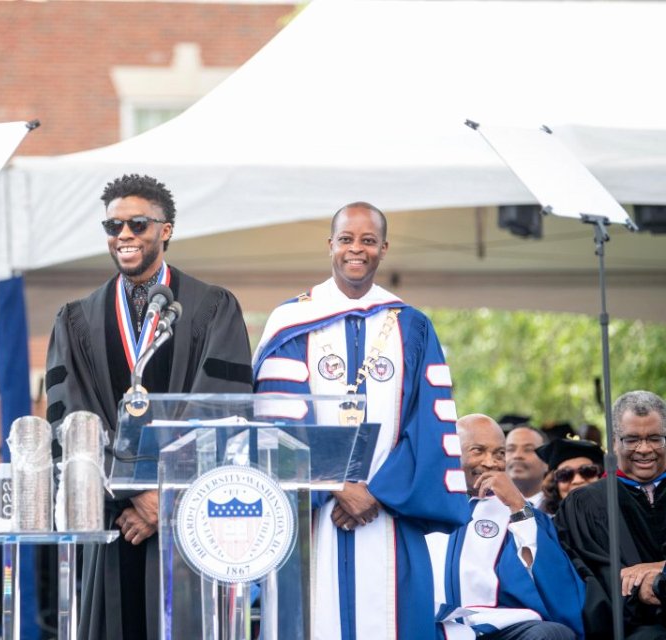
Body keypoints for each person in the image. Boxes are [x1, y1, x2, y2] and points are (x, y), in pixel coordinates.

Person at [45, 173, 253, 640]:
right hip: (115, 522)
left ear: (166, 229)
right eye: (113, 226)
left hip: (190, 522)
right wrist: (130, 494)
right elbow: (71, 420)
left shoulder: (212, 308)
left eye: (138, 224)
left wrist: (167, 497)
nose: (124, 236)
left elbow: (223, 408)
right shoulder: (76, 319)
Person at [252, 202, 470, 640]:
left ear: (383, 248)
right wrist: (335, 485)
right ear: (330, 245)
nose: (357, 249)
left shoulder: (412, 326)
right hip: (312, 515)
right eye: (347, 239)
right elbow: (278, 420)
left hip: (388, 512)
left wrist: (378, 492)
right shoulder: (292, 321)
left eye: (368, 240)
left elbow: (429, 425)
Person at [427, 414, 584, 640]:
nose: (491, 462)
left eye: (500, 453)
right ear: (453, 451)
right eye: (478, 451)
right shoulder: (425, 504)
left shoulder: (519, 510)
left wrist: (517, 505)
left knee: (550, 635)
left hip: (498, 627)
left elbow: (548, 577)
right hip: (433, 624)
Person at [554, 390, 666, 639]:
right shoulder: (584, 504)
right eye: (632, 439)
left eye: (655, 438)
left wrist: (660, 569)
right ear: (615, 442)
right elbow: (594, 580)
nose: (645, 449)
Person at [535, 438, 605, 515]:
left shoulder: (616, 516)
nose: (577, 480)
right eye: (565, 474)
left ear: (600, 476)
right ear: (554, 485)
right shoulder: (545, 524)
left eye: (587, 471)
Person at [505, 426, 549, 508]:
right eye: (510, 449)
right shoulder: (485, 507)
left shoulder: (561, 511)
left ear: (547, 462)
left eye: (528, 449)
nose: (517, 455)